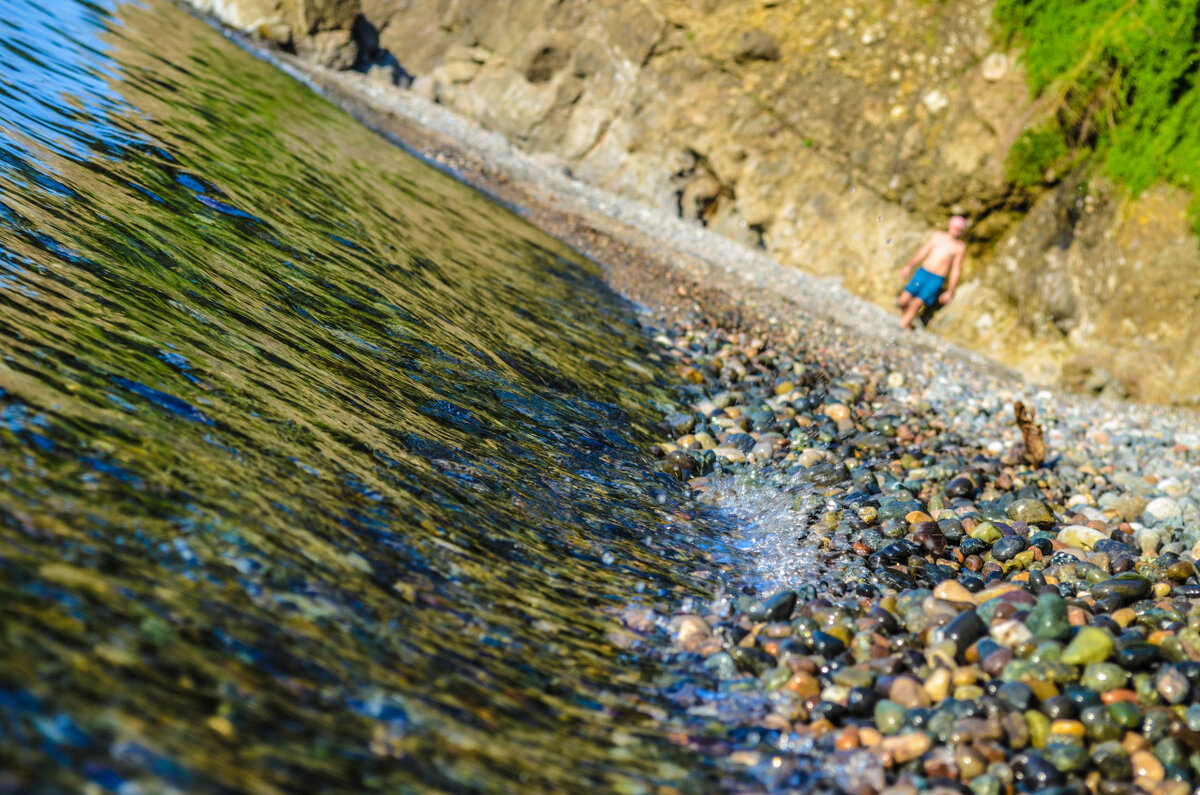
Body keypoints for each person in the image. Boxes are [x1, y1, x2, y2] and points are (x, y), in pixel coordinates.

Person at [896, 215, 967, 329]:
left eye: (959, 229)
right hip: (923, 273)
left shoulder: (959, 247)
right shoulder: (937, 236)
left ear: (962, 231)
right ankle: (909, 321)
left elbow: (955, 270)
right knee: (902, 301)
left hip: (936, 279)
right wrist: (909, 266)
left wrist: (950, 291)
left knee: (917, 304)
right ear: (950, 225)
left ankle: (901, 327)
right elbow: (923, 252)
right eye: (955, 227)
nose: (956, 230)